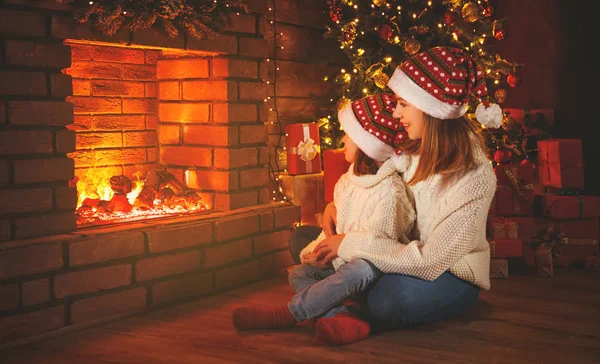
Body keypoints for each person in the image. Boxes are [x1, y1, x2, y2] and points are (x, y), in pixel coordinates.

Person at [288, 46, 501, 334]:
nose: (396, 112)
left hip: (447, 273)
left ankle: (339, 297)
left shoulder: (475, 177)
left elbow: (430, 262)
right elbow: (374, 184)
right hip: (398, 251)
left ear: (430, 107)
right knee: (302, 239)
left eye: (403, 103)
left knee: (390, 300)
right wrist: (333, 209)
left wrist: (349, 243)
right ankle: (344, 301)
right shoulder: (411, 151)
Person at [232, 93, 416, 345]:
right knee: (298, 273)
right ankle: (344, 316)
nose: (342, 140)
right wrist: (316, 253)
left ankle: (287, 314)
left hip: (374, 270)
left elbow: (378, 246)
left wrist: (339, 251)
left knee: (360, 268)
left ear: (367, 144)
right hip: (341, 266)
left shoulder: (389, 192)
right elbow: (332, 231)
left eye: (348, 136)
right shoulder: (346, 182)